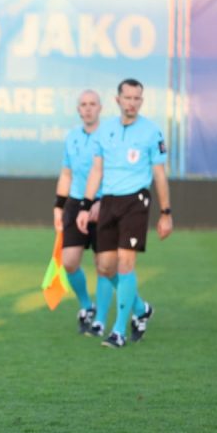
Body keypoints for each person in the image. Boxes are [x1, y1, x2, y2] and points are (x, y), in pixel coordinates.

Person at [76, 79, 171, 348]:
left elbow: (159, 175)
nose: (132, 103)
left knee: (126, 263)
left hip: (135, 201)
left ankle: (118, 330)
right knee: (105, 267)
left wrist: (166, 212)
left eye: (136, 98)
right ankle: (141, 308)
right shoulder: (105, 131)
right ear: (118, 100)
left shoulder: (152, 132)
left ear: (142, 101)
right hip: (108, 202)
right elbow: (96, 170)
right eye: (127, 98)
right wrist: (85, 206)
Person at [53, 90, 103, 333]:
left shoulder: (108, 136)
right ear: (78, 109)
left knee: (103, 264)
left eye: (92, 104)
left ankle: (102, 317)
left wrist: (102, 202)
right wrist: (58, 207)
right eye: (83, 104)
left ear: (100, 108)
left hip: (103, 202)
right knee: (69, 262)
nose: (88, 108)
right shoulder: (72, 136)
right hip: (74, 203)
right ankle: (86, 306)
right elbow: (66, 173)